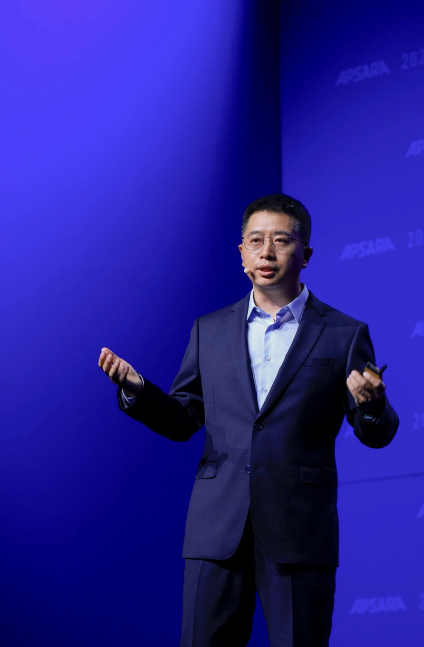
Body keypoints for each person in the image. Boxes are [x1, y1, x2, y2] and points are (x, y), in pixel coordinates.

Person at [97, 193, 398, 646]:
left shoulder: (343, 333)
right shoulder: (210, 330)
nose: (267, 252)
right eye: (256, 241)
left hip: (299, 530)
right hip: (216, 528)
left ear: (306, 254)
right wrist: (138, 390)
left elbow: (376, 434)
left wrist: (372, 405)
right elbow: (183, 419)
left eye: (281, 240)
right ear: (241, 254)